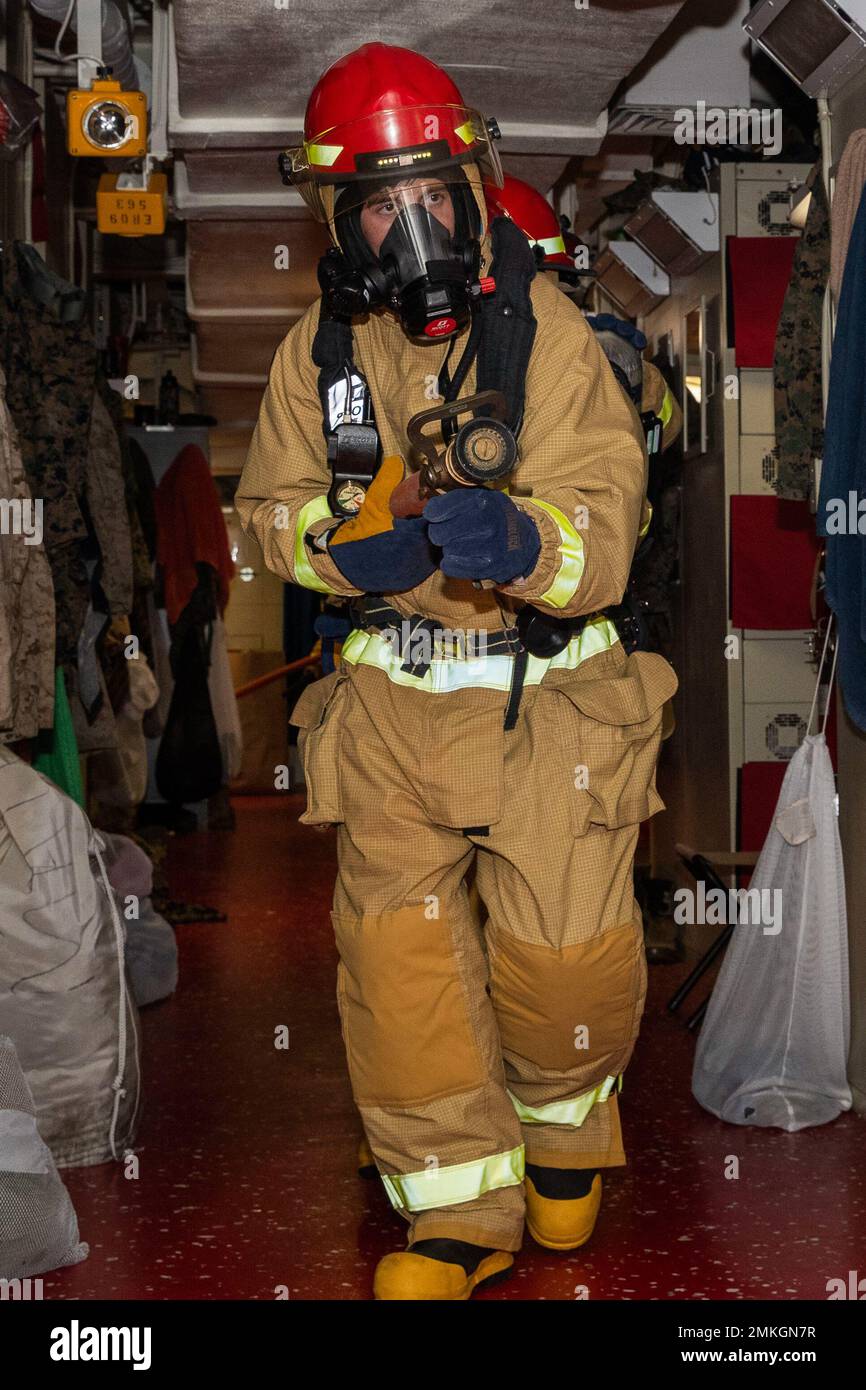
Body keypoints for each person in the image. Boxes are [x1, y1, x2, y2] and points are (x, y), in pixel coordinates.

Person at [236, 41, 677, 1301]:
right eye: (379, 202)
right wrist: (331, 547)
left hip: (550, 704)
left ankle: (560, 1135)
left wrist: (529, 538)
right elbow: (261, 514)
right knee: (401, 972)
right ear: (339, 217)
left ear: (472, 188)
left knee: (560, 966)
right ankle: (453, 1211)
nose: (411, 225)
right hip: (386, 715)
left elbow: (609, 503)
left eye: (430, 193)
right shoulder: (312, 359)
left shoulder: (541, 331)